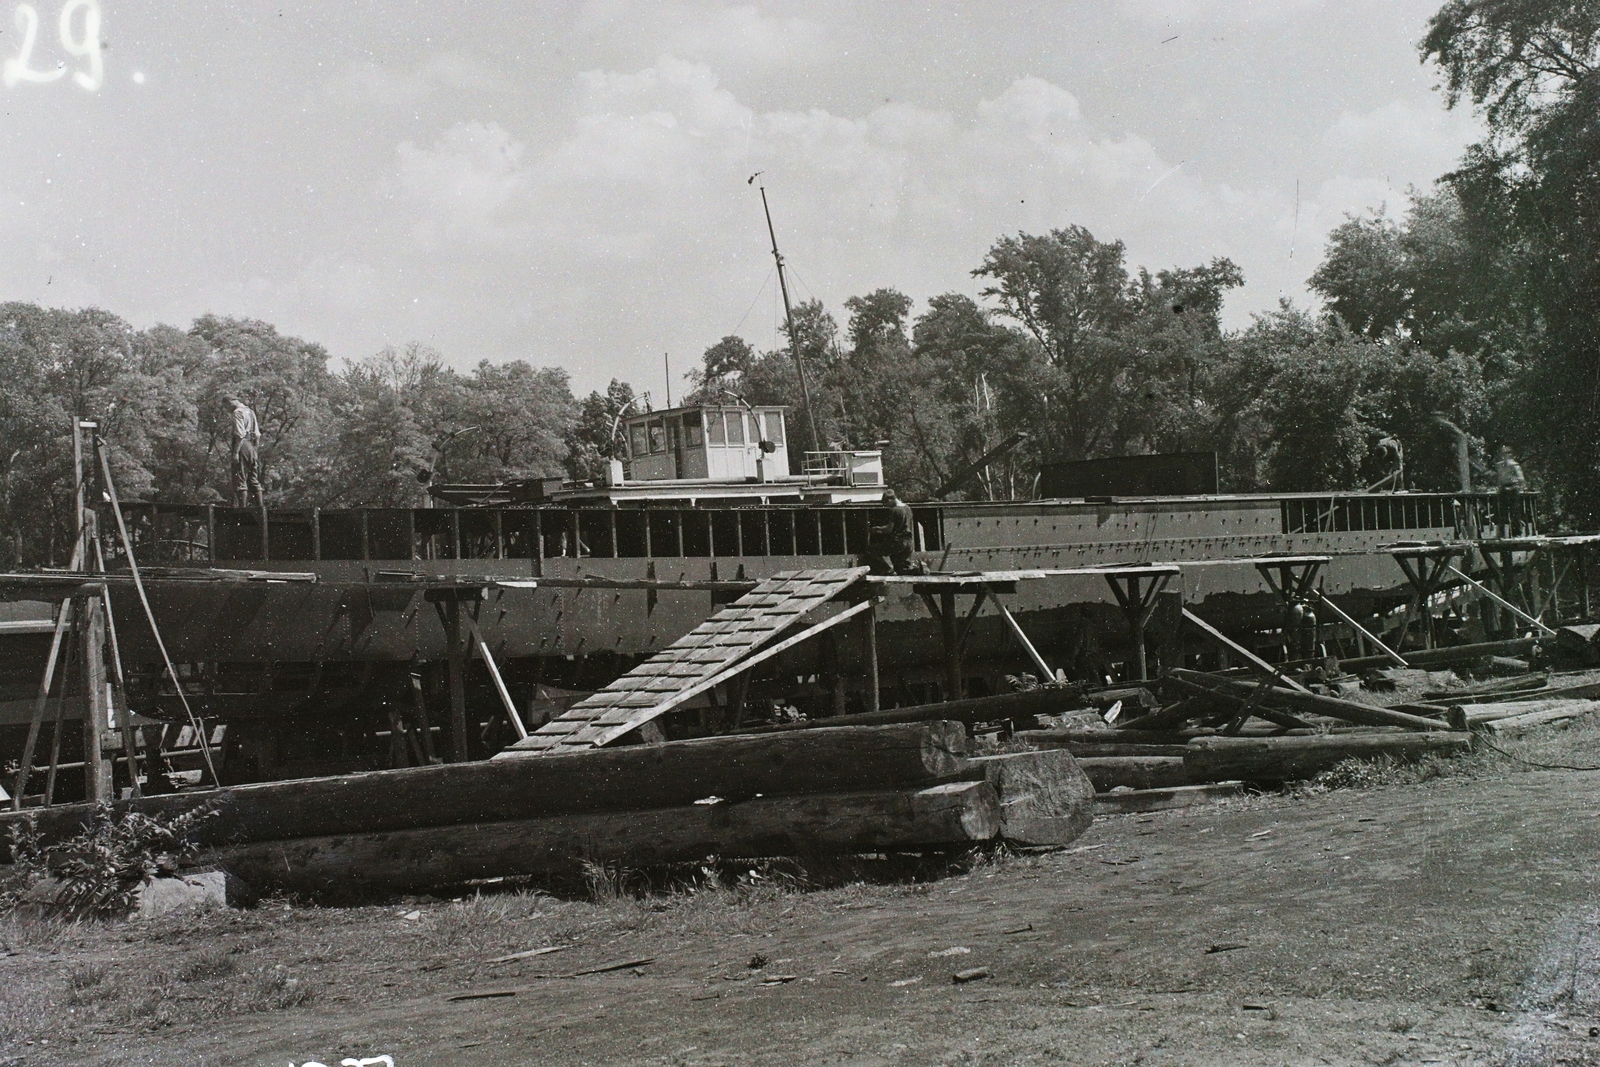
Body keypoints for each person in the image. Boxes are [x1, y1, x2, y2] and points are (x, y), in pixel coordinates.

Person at [864, 488, 918, 575]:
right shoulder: (907, 508)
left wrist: (877, 529)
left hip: (898, 542)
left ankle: (887, 569)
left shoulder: (894, 510)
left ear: (890, 499)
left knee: (871, 550)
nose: (886, 506)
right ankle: (918, 570)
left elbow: (889, 529)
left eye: (886, 503)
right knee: (902, 570)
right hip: (909, 543)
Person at [226, 393, 263, 507]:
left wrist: (235, 453)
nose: (226, 409)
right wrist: (254, 451)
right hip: (251, 446)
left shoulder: (237, 412)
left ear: (231, 402)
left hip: (241, 446)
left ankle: (243, 511)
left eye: (226, 406)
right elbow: (257, 435)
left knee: (240, 478)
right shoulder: (250, 412)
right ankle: (261, 508)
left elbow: (239, 435)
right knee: (253, 479)